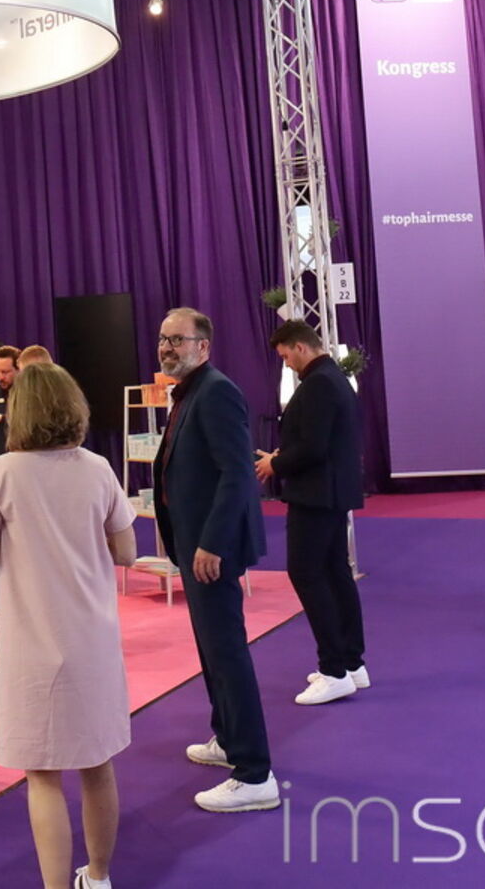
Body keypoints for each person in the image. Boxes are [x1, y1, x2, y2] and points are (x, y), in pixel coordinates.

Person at [0, 362, 137, 889]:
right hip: (92, 638)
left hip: (32, 645)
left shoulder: (1, 473)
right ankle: (99, 876)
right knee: (97, 764)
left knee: (41, 774)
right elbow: (127, 552)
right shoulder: (98, 468)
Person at [152, 306, 276, 813]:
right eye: (163, 339)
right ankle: (227, 738)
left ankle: (254, 773)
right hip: (195, 544)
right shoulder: (191, 392)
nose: (167, 348)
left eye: (177, 340)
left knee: (226, 654)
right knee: (212, 651)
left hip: (211, 550)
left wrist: (213, 542)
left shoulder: (216, 391)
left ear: (203, 347)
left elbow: (236, 473)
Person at [254, 321, 367, 705]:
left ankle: (334, 669)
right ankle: (351, 662)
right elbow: (321, 441)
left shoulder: (318, 384)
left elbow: (314, 447)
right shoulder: (334, 378)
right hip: (330, 493)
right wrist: (282, 457)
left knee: (306, 573)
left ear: (300, 347)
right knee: (336, 573)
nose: (286, 363)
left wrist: (276, 463)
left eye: (286, 356)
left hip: (316, 495)